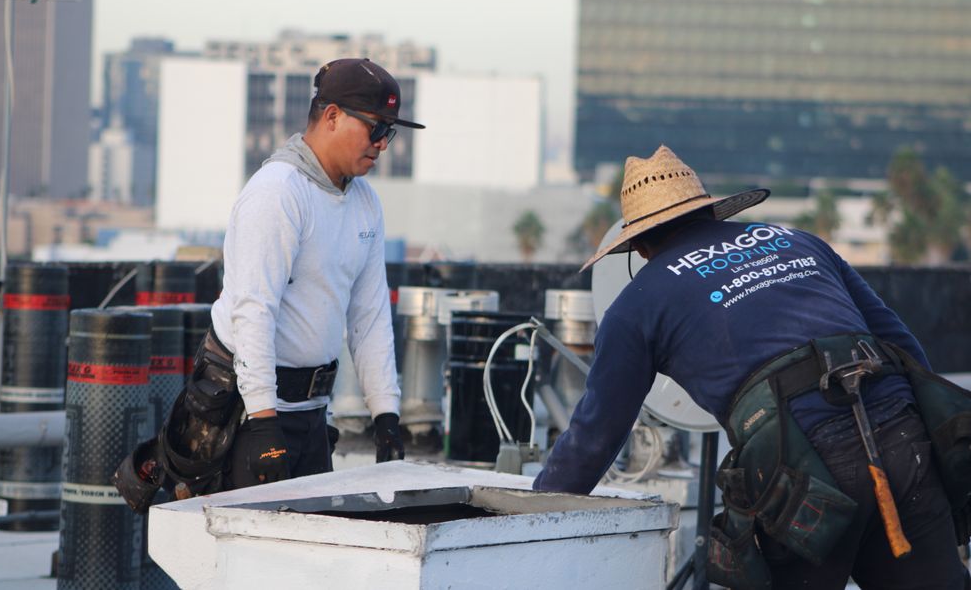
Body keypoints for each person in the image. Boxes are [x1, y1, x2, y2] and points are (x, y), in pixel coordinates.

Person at [533, 146, 970, 589]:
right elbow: (901, 344)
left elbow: (594, 438)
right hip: (901, 439)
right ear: (710, 214)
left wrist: (533, 512)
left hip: (803, 470)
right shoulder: (798, 241)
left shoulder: (635, 306)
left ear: (639, 246)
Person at [206, 58, 424, 488]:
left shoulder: (364, 203)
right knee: (253, 551)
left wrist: (386, 416)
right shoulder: (277, 193)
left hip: (310, 413)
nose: (384, 144)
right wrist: (265, 424)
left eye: (390, 132)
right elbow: (254, 312)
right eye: (376, 128)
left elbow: (371, 315)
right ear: (332, 116)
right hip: (248, 410)